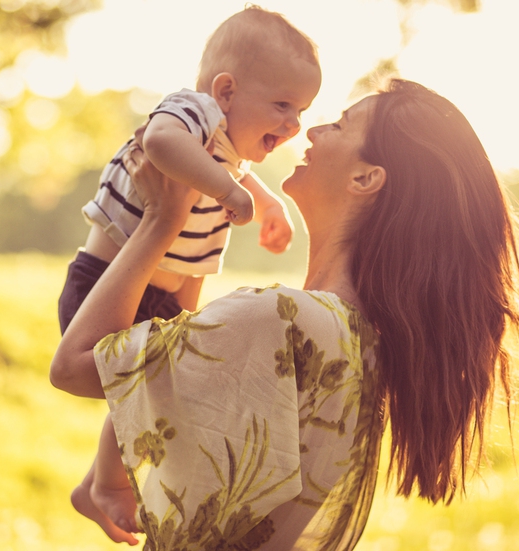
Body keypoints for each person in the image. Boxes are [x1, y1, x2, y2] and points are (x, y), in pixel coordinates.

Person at [51, 78, 519, 550]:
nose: (312, 131)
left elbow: (72, 368)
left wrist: (161, 219)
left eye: (339, 124)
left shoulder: (281, 321)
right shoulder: (363, 347)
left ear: (365, 179)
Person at [56, 6, 322, 544]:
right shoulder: (192, 111)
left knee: (149, 393)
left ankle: (99, 483)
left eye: (303, 111)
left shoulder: (225, 149)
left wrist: (268, 205)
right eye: (283, 105)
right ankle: (107, 485)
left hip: (160, 297)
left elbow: (238, 172)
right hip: (107, 283)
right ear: (224, 91)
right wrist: (230, 193)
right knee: (135, 384)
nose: (294, 125)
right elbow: (159, 144)